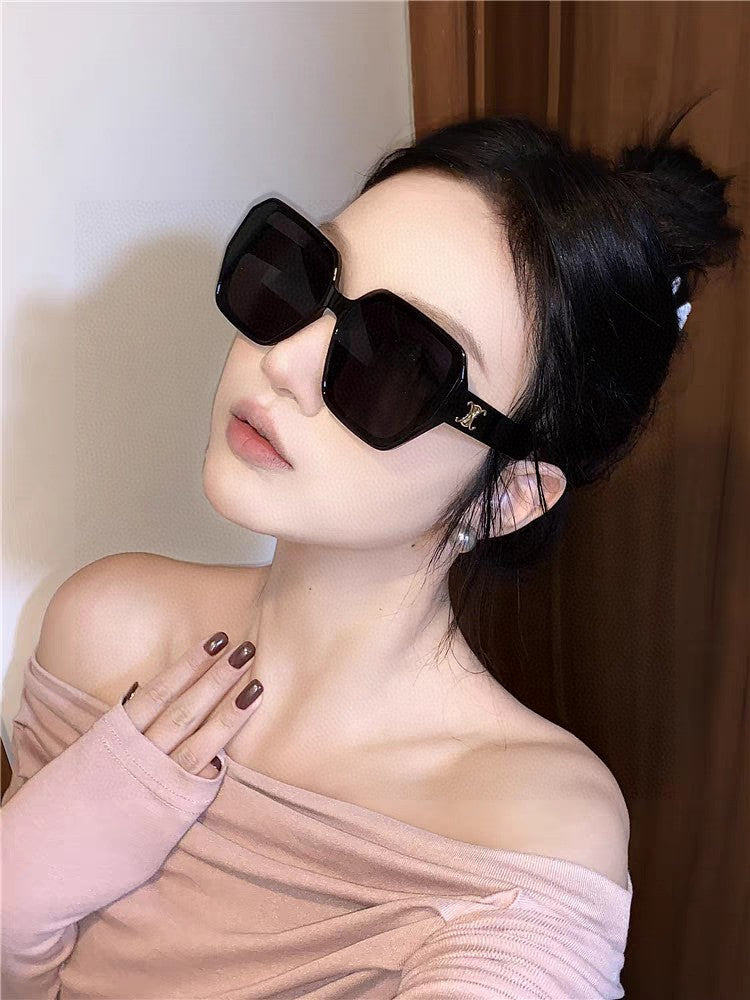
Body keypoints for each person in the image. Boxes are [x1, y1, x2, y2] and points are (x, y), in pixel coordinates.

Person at [1, 100, 742, 999]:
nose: (283, 361)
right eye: (304, 277)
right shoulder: (107, 625)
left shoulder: (533, 825)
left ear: (510, 496)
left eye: (400, 361)